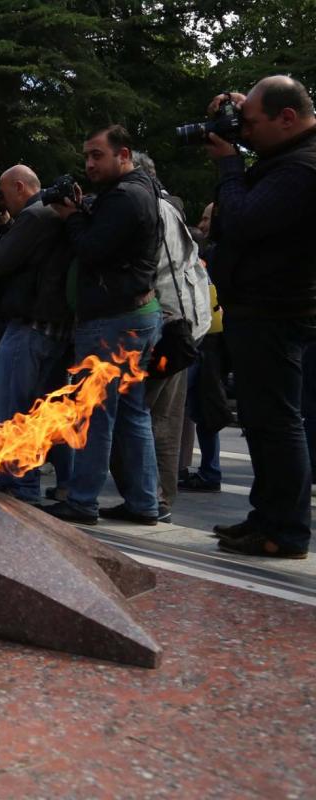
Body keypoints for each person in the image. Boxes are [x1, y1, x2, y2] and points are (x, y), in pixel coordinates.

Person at [204, 75, 316, 558]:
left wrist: (230, 164)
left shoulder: (303, 168)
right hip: (260, 309)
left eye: (250, 122)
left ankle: (286, 531)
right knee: (263, 420)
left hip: (275, 310)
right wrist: (239, 116)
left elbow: (243, 220)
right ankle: (266, 518)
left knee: (277, 422)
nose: (242, 132)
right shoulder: (285, 158)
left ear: (287, 118)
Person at [44, 125, 162, 526]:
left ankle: (82, 500)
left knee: (96, 412)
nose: (89, 164)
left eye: (97, 155)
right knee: (131, 413)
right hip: (136, 315)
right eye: (86, 156)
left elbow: (91, 249)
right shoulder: (138, 191)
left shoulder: (126, 198)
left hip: (113, 321)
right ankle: (144, 502)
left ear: (123, 154)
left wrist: (72, 216)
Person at [0, 165, 74, 502]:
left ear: (19, 187)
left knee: (8, 411)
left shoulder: (36, 217)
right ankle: (62, 484)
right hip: (55, 329)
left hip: (28, 328)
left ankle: (20, 486)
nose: (0, 201)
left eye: (3, 194)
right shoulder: (55, 215)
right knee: (46, 413)